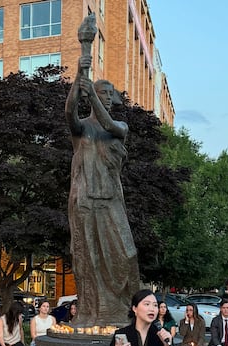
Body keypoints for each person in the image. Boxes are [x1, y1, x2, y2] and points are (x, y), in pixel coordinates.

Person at [65, 54, 140, 326]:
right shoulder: (82, 129)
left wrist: (91, 95)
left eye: (110, 94)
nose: (108, 97)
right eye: (103, 93)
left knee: (127, 254)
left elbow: (109, 124)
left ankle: (127, 311)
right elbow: (69, 112)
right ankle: (93, 313)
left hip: (110, 201)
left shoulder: (120, 127)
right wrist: (79, 74)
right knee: (88, 258)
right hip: (84, 201)